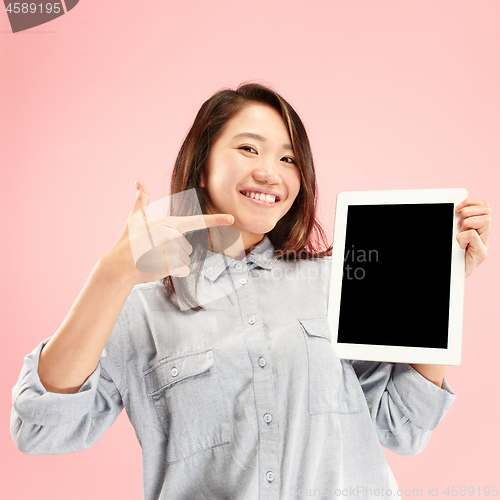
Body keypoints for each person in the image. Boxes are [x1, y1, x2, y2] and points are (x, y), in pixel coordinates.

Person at [11, 83, 492, 500]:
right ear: (201, 168)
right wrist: (110, 275)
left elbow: (403, 428)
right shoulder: (139, 310)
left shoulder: (338, 280)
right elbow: (40, 430)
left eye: (288, 158)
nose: (271, 172)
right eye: (248, 149)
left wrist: (441, 286)